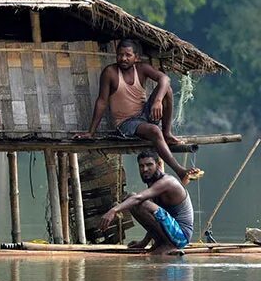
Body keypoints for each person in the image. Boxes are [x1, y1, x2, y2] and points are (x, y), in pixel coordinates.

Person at [75, 38, 201, 184]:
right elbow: (102, 102)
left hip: (144, 115)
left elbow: (165, 79)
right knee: (154, 130)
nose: (123, 58)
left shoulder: (141, 68)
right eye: (120, 55)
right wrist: (91, 132)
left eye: (128, 55)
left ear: (136, 58)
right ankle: (180, 171)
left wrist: (158, 101)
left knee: (168, 90)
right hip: (126, 123)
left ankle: (167, 133)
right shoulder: (110, 72)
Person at [99, 150, 194, 255]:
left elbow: (139, 199)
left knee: (137, 201)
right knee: (133, 199)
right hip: (172, 232)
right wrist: (143, 243)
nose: (145, 169)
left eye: (149, 165)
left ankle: (169, 245)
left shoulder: (167, 182)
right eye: (141, 166)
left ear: (158, 165)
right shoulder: (153, 182)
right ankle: (161, 243)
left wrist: (113, 210)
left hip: (181, 236)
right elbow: (154, 219)